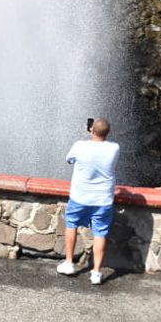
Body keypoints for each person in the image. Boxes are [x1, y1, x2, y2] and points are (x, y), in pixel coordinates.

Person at [58, 118, 120, 285]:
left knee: (71, 224)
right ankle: (96, 273)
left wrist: (88, 136)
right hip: (103, 199)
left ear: (91, 130)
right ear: (108, 133)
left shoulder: (80, 145)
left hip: (80, 197)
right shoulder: (115, 148)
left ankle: (69, 263)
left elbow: (69, 160)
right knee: (100, 233)